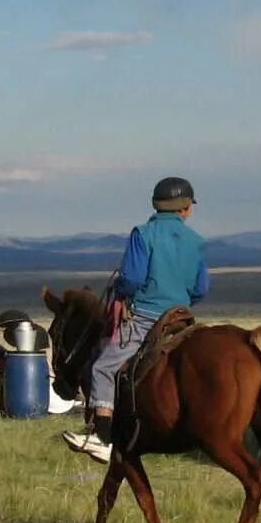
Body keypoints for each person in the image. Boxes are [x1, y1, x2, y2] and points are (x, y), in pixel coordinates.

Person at [63, 176, 209, 463]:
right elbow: (201, 289)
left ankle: (101, 437)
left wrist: (121, 290)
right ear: (184, 208)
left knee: (104, 367)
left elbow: (132, 278)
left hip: (146, 318)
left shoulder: (143, 234)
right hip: (181, 319)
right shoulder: (197, 242)